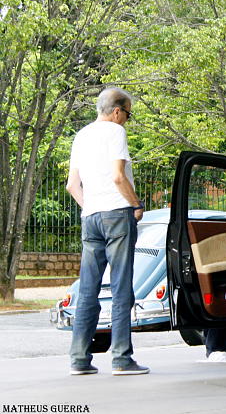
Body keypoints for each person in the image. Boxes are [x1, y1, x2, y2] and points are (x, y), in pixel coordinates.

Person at [66, 87, 149, 376]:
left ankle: (79, 359)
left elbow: (71, 185)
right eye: (128, 113)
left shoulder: (82, 135)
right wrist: (135, 204)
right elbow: (117, 176)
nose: (127, 118)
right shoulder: (115, 133)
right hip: (117, 214)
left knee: (88, 288)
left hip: (90, 216)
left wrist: (91, 206)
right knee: (121, 286)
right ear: (117, 111)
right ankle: (122, 358)